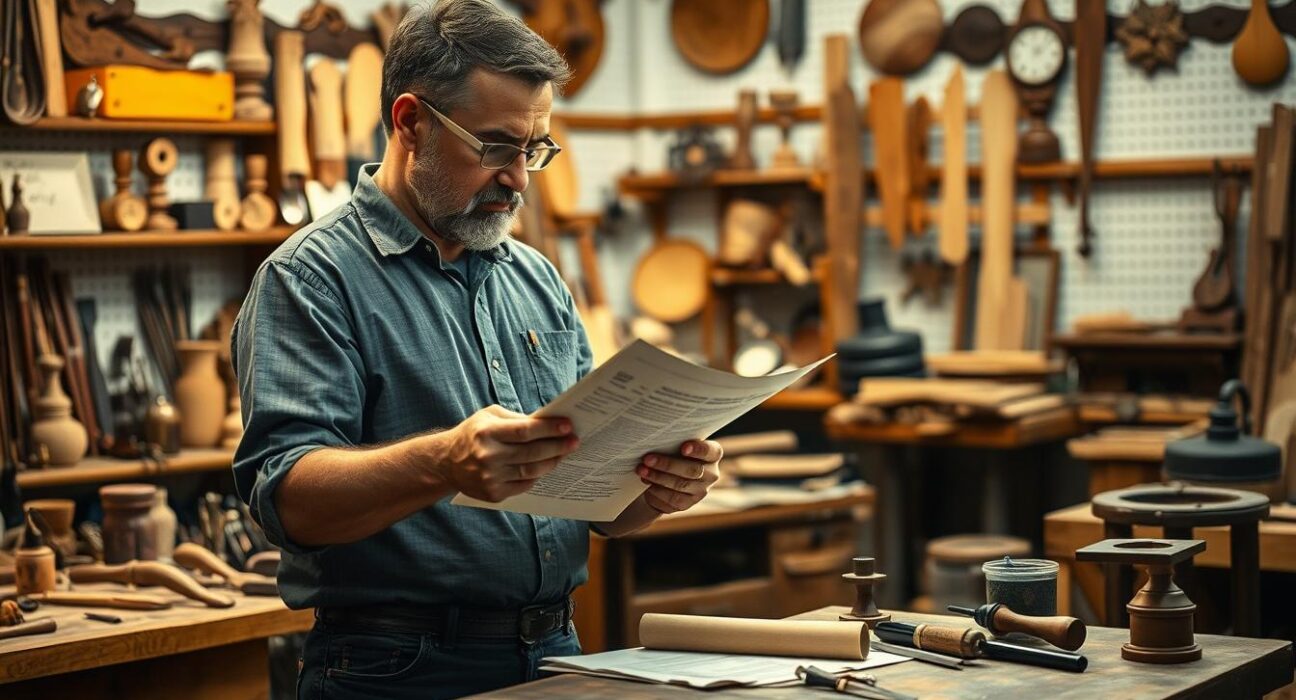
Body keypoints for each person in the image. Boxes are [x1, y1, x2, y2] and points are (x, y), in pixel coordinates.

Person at [230, 1, 722, 698]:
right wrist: (445, 460)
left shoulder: (534, 276)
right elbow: (287, 499)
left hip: (556, 650)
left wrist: (656, 488)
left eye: (534, 150)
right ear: (410, 123)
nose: (519, 177)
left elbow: (602, 507)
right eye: (495, 147)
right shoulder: (309, 279)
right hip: (394, 667)